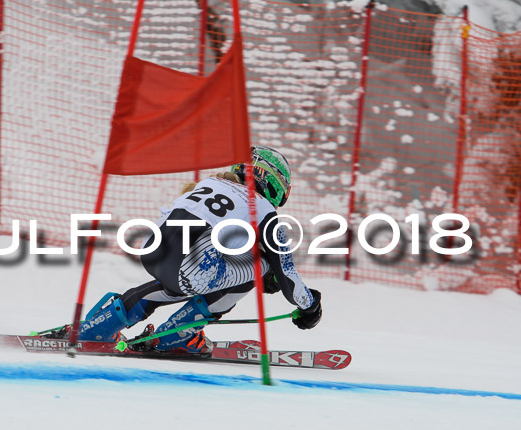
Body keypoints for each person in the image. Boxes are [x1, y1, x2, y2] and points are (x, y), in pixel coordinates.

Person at [51, 146, 322, 354]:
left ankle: (103, 326)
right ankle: (177, 335)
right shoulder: (263, 209)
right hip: (192, 270)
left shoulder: (209, 184)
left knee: (183, 276)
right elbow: (287, 275)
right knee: (261, 265)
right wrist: (310, 306)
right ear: (275, 183)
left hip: (151, 252)